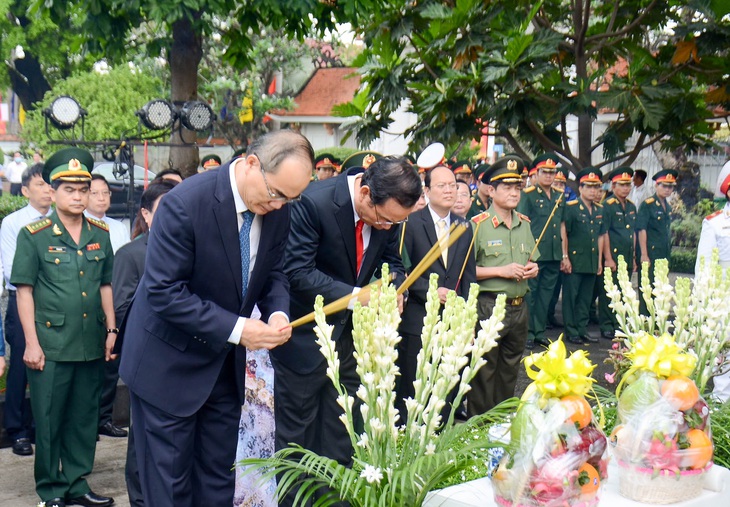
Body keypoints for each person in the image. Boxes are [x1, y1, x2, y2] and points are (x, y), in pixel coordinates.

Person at [118, 130, 313, 507]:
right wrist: (239, 329)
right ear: (251, 164)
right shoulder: (185, 203)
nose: (280, 205)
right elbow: (164, 292)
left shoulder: (278, 208)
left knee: (217, 481)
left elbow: (273, 271)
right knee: (170, 488)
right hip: (168, 366)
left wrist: (276, 312)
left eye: (293, 197)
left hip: (222, 368)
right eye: (276, 194)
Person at [273, 156, 421, 506]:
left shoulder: (390, 215)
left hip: (352, 344)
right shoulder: (314, 202)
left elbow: (392, 261)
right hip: (305, 341)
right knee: (298, 447)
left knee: (346, 436)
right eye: (384, 219)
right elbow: (297, 272)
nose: (387, 227)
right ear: (366, 193)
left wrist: (394, 285)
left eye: (395, 223)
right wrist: (360, 296)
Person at [11, 148, 116, 507]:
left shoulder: (100, 233)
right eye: (68, 189)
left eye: (83, 189)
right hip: (51, 344)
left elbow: (106, 285)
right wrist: (30, 343)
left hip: (90, 342)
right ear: (52, 192)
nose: (77, 196)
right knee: (51, 418)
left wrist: (112, 331)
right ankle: (51, 490)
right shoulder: (34, 235)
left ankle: (77, 483)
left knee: (84, 418)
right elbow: (23, 292)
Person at [112, 181, 176, 507]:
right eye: (165, 208)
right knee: (141, 438)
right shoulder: (132, 254)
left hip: (181, 363)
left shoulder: (189, 249)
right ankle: (139, 499)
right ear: (146, 215)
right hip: (147, 359)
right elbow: (123, 308)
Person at [396, 165, 476, 419]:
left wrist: (468, 320)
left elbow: (468, 276)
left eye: (453, 185)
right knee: (413, 384)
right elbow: (402, 271)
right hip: (417, 317)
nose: (449, 190)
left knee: (445, 386)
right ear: (427, 191)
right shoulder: (410, 223)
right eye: (442, 186)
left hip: (452, 320)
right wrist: (430, 291)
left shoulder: (465, 227)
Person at [468, 156, 538, 417]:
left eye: (517, 187)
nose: (513, 193)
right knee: (484, 370)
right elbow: (465, 271)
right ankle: (479, 428)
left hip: (519, 308)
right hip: (489, 307)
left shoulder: (524, 224)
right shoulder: (478, 226)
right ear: (491, 190)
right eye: (506, 187)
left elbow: (532, 259)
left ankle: (501, 422)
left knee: (510, 369)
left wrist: (533, 268)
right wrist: (501, 271)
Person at [0, 163, 53, 457]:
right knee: (23, 364)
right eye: (40, 185)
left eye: (49, 184)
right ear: (24, 191)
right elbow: (11, 271)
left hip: (56, 305)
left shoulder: (65, 219)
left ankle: (39, 426)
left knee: (52, 365)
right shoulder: (13, 223)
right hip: (23, 300)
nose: (47, 190)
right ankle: (17, 429)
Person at [517, 154, 564, 349]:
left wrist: (564, 254)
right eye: (545, 172)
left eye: (552, 172)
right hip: (534, 252)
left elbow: (560, 226)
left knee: (546, 295)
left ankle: (539, 331)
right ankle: (528, 332)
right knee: (532, 294)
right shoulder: (528, 194)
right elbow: (522, 223)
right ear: (536, 173)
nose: (549, 176)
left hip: (552, 253)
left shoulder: (558, 195)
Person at [696, 162, 730, 401]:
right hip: (724, 290)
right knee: (724, 341)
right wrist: (703, 296)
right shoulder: (715, 222)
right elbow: (704, 263)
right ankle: (721, 396)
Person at [561, 168, 605, 345]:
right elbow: (564, 231)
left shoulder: (600, 209)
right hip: (574, 259)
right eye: (589, 187)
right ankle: (571, 330)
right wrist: (565, 256)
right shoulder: (571, 207)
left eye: (596, 187)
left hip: (592, 260)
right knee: (571, 297)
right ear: (581, 188)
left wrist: (600, 260)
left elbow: (601, 236)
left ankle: (581, 329)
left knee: (586, 299)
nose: (593, 191)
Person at [599, 167, 637, 340]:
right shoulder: (607, 205)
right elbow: (604, 232)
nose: (626, 188)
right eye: (621, 185)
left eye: (628, 185)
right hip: (613, 255)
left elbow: (633, 233)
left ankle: (618, 323)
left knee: (623, 290)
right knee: (610, 291)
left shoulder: (631, 206)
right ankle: (607, 324)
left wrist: (635, 256)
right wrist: (607, 258)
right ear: (613, 186)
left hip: (627, 255)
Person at [636, 169, 677, 314]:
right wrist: (644, 254)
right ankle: (645, 321)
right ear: (656, 185)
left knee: (661, 289)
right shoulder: (648, 204)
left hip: (663, 254)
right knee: (648, 288)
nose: (667, 189)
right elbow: (642, 229)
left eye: (670, 186)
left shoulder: (668, 206)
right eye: (663, 186)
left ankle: (657, 321)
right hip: (650, 253)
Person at [85, 174, 130, 253]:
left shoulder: (119, 228)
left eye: (105, 193)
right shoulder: (77, 226)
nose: (101, 198)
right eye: (94, 193)